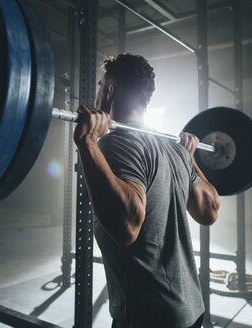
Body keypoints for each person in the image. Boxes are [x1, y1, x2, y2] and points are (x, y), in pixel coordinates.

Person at [73, 54, 220, 328]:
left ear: (110, 91)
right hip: (191, 312)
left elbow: (127, 227)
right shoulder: (175, 150)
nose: (97, 93)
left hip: (150, 317)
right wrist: (190, 159)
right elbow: (209, 210)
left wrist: (87, 142)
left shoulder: (118, 144)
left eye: (100, 85)